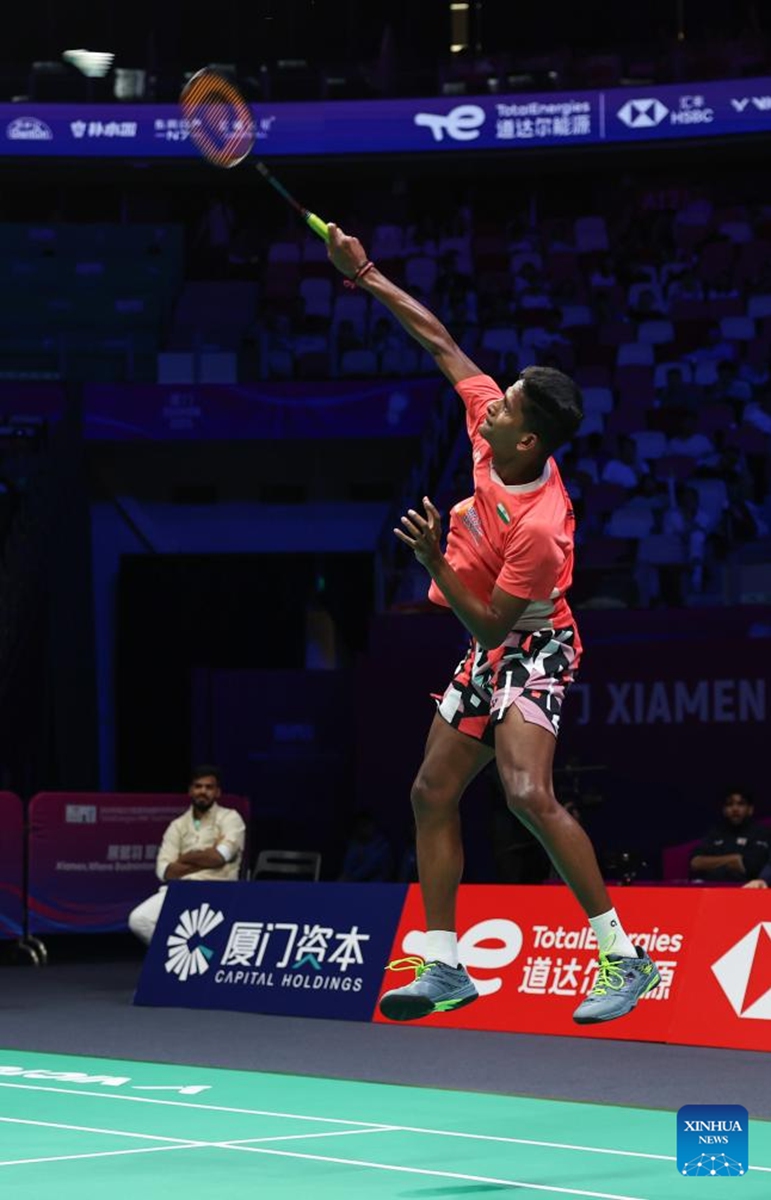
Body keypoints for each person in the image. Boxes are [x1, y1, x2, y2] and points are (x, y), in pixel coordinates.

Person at [326, 224, 660, 1025]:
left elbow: (488, 630)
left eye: (504, 402)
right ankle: (445, 967)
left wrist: (435, 563)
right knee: (430, 790)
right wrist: (365, 273)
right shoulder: (490, 427)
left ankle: (624, 956)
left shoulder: (541, 526)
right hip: (489, 642)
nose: (488, 399)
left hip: (534, 644)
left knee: (523, 793)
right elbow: (438, 338)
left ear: (529, 437)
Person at [128, 766, 245, 945]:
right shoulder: (177, 825)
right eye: (198, 786)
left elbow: (220, 857)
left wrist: (183, 858)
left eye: (209, 787)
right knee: (139, 919)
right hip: (181, 890)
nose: (203, 791)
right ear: (190, 790)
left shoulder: (231, 818)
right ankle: (175, 955)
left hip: (217, 890)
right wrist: (206, 856)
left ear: (218, 792)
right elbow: (164, 872)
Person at [690, 789, 770, 884]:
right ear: (724, 810)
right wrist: (733, 859)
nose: (735, 809)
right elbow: (695, 863)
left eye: (741, 804)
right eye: (729, 804)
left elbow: (752, 867)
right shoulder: (715, 833)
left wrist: (711, 863)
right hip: (712, 889)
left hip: (747, 891)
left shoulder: (761, 833)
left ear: (750, 809)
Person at [337, 811, 393, 881]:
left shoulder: (382, 845)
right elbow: (347, 869)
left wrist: (351, 878)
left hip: (378, 886)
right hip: (355, 886)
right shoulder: (354, 845)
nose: (365, 829)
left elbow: (371, 866)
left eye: (367, 825)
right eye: (362, 826)